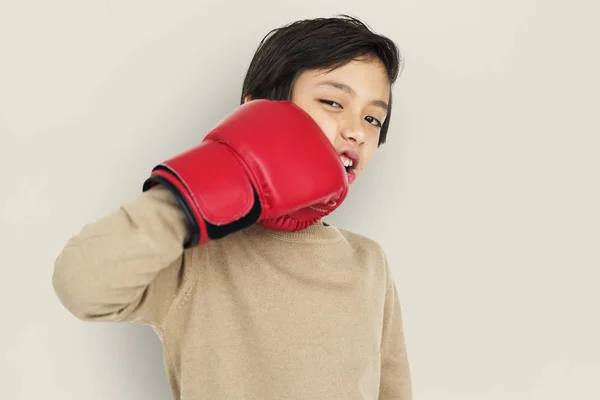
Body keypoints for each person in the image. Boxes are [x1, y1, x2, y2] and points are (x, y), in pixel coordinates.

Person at [52, 15, 412, 399]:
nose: (356, 130)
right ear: (260, 113)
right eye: (332, 102)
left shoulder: (368, 261)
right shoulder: (199, 257)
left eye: (373, 118)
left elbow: (393, 390)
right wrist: (193, 199)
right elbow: (80, 284)